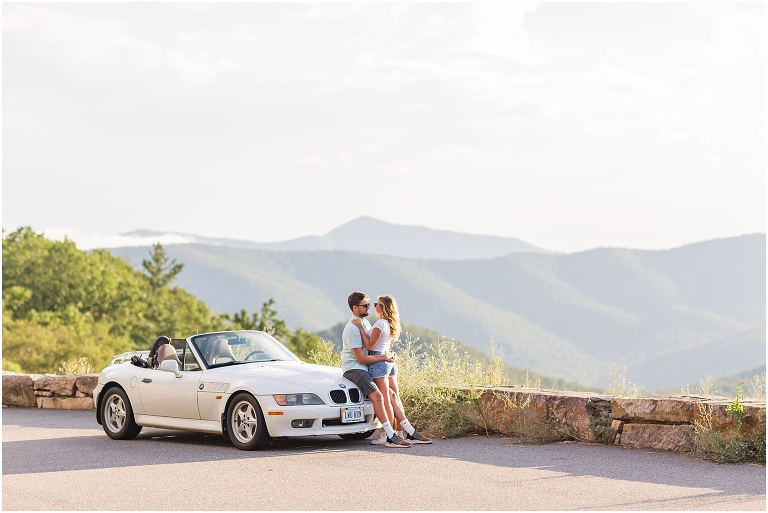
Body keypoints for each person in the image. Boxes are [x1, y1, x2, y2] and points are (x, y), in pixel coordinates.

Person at [341, 291, 431, 447]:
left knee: (391, 395)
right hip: (356, 368)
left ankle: (407, 431)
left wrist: (385, 355)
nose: (369, 307)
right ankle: (391, 435)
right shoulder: (353, 328)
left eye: (371, 304)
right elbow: (361, 357)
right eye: (365, 305)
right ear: (355, 308)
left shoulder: (366, 324)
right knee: (379, 395)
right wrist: (385, 356)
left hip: (368, 366)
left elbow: (371, 346)